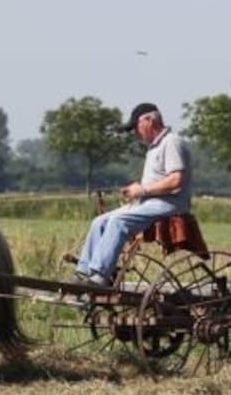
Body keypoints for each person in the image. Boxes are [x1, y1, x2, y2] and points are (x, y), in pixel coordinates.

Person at [74, 102, 192, 286]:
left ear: (149, 121)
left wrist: (142, 190)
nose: (135, 133)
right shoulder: (154, 147)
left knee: (118, 222)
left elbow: (176, 180)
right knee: (99, 222)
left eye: (135, 127)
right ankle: (84, 272)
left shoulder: (172, 142)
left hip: (170, 204)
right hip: (150, 203)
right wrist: (136, 191)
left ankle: (100, 276)